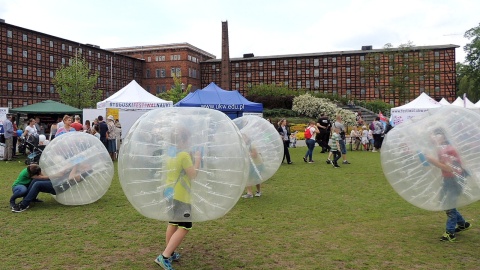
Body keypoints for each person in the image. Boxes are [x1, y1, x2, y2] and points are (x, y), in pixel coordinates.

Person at [155, 131, 201, 269]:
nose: (189, 143)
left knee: (173, 223)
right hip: (181, 196)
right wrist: (198, 159)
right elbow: (193, 175)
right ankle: (164, 256)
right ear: (182, 141)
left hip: (169, 193)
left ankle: (170, 252)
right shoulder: (183, 155)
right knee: (185, 226)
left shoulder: (171, 154)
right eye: (188, 140)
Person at [425, 128, 472, 242]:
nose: (434, 138)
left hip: (455, 181)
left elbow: (449, 168)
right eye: (433, 135)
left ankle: (450, 233)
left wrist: (432, 160)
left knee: (449, 205)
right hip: (448, 180)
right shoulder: (442, 148)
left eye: (437, 135)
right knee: (445, 204)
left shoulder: (448, 150)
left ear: (444, 137)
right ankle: (462, 224)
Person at [12, 163, 91, 213]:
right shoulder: (77, 169)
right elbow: (62, 172)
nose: (82, 163)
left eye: (85, 164)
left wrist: (75, 167)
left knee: (38, 184)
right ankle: (27, 200)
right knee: (36, 179)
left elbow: (71, 178)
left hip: (59, 187)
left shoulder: (83, 174)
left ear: (88, 167)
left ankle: (23, 205)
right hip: (55, 182)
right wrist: (71, 165)